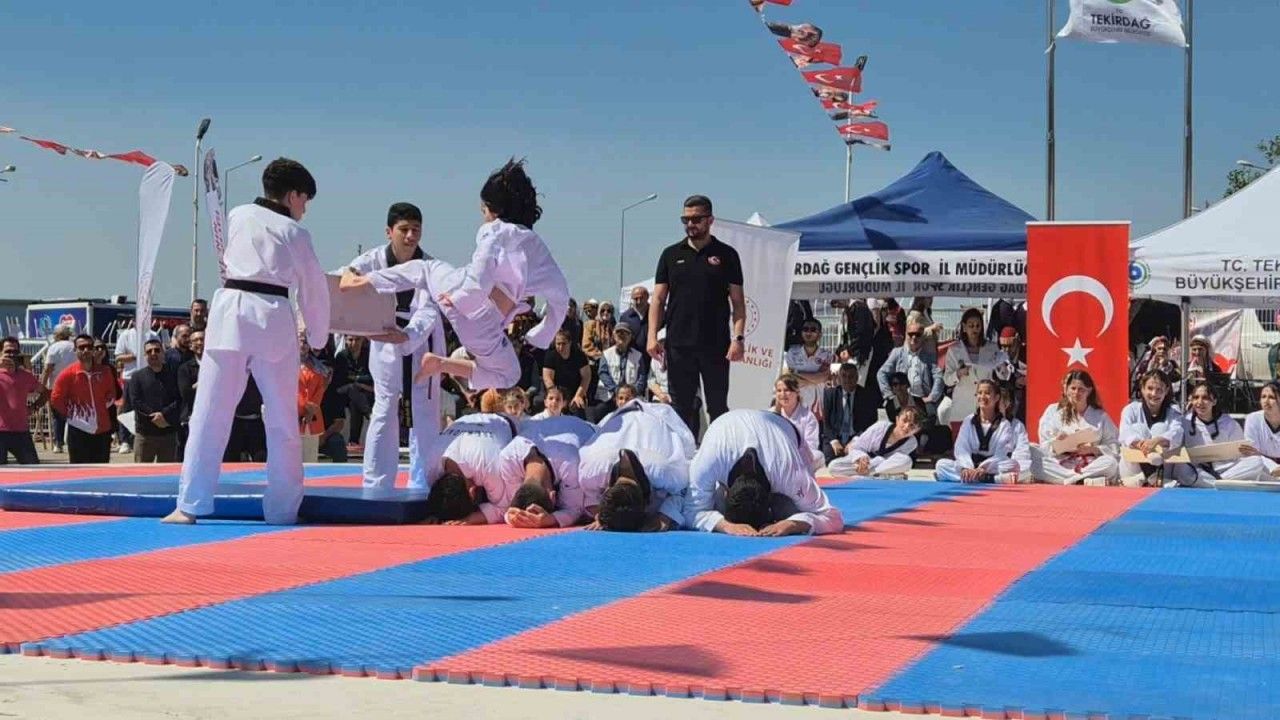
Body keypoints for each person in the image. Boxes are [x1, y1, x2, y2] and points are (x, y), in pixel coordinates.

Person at [164, 157, 329, 525]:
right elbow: (313, 288)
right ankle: (283, 509)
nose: (304, 209)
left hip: (230, 314)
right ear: (293, 195)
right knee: (282, 420)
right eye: (305, 200)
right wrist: (318, 336)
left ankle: (188, 504)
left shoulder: (237, 215)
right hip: (273, 318)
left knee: (209, 413)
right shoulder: (296, 233)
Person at [345, 202, 448, 490]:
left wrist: (408, 335)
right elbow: (347, 275)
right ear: (389, 231)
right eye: (404, 229)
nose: (411, 235)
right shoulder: (374, 259)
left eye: (416, 229)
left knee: (425, 411)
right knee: (384, 407)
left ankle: (425, 482)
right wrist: (349, 276)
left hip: (422, 341)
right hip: (384, 336)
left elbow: (429, 310)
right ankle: (376, 482)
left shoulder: (430, 266)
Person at [340, 254, 520, 393]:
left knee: (426, 268)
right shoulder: (518, 255)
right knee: (510, 376)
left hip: (464, 295)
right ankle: (440, 364)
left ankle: (364, 279)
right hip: (478, 321)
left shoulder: (505, 247)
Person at [648, 195, 746, 439]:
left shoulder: (727, 255)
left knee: (717, 407)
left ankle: (721, 451)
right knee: (680, 407)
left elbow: (738, 302)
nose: (690, 224)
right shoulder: (670, 255)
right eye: (686, 219)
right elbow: (658, 299)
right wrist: (652, 336)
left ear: (710, 220)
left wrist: (738, 338)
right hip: (679, 344)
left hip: (715, 344)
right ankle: (682, 454)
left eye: (696, 219)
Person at [686, 409, 843, 536]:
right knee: (715, 509)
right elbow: (691, 511)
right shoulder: (708, 461)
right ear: (726, 492)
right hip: (727, 426)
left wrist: (793, 524)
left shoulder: (788, 471)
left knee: (790, 512)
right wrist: (725, 525)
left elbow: (833, 518)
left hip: (786, 431)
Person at [578, 399, 695, 532]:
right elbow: (590, 496)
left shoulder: (663, 471)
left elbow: (684, 489)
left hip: (655, 418)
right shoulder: (592, 468)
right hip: (621, 417)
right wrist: (601, 515)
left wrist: (665, 516)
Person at [499, 414, 597, 529]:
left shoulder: (570, 462)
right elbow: (513, 506)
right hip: (553, 422)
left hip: (588, 428)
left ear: (553, 496)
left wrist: (550, 519)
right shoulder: (507, 457)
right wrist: (513, 516)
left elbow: (575, 509)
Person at [417, 412, 517, 524]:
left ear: (472, 492)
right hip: (466, 419)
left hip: (506, 422)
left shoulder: (489, 468)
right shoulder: (430, 469)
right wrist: (437, 515)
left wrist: (471, 518)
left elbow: (507, 507)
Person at [1174, 380, 1270, 486]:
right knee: (1180, 467)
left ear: (1214, 401)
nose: (1200, 402)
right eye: (1196, 398)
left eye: (1205, 398)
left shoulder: (1229, 423)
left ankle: (1217, 482)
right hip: (1200, 470)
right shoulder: (1185, 422)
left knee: (1256, 461)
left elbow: (1240, 453)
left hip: (1227, 469)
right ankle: (1220, 484)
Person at [1034, 370, 1120, 486]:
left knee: (1110, 463)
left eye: (1081, 389)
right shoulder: (1053, 411)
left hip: (1089, 464)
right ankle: (1080, 480)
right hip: (1061, 463)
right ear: (1066, 389)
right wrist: (1057, 442)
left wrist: (1093, 449)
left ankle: (1069, 480)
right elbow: (1044, 445)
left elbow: (1113, 445)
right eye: (1073, 388)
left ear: (1089, 391)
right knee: (1036, 461)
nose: (1076, 393)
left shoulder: (1100, 416)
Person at [935, 380, 1030, 484]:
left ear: (996, 398)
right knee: (941, 464)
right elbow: (961, 447)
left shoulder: (1004, 424)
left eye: (987, 393)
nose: (982, 397)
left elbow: (1001, 453)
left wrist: (983, 468)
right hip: (970, 464)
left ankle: (974, 477)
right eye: (980, 393)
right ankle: (991, 479)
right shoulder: (969, 420)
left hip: (991, 467)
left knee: (1013, 465)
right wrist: (966, 467)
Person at [50, 334, 118, 464]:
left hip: (102, 430)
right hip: (78, 430)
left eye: (89, 347)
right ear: (75, 350)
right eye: (81, 347)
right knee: (79, 471)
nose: (86, 350)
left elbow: (112, 394)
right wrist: (71, 415)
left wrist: (99, 408)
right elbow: (56, 399)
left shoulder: (105, 371)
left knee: (102, 471)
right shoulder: (67, 374)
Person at [940, 308, 1008, 427]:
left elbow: (1003, 375)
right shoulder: (954, 350)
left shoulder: (992, 348)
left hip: (986, 406)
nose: (974, 329)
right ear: (964, 327)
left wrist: (1000, 366)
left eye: (978, 326)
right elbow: (947, 380)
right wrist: (958, 373)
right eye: (971, 326)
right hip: (962, 407)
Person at [1118, 369, 1184, 487]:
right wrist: (1142, 444)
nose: (1154, 394)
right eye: (1150, 388)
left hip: (1162, 470)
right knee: (1139, 428)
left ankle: (1151, 478)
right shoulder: (1131, 409)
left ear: (1166, 390)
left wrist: (1156, 440)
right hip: (1134, 470)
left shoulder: (1173, 411)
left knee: (1160, 428)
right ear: (1142, 389)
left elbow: (1177, 433)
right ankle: (1150, 477)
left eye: (1159, 390)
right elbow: (1125, 433)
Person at [877, 321, 944, 426]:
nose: (914, 337)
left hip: (922, 400)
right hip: (901, 399)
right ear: (906, 335)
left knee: (932, 422)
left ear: (922, 336)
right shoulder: (897, 353)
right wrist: (889, 395)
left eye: (917, 334)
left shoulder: (929, 355)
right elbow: (881, 373)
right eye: (910, 334)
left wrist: (932, 397)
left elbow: (938, 376)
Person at [126, 339, 181, 462]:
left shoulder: (173, 375)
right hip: (145, 434)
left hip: (168, 433)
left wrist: (163, 415)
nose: (153, 353)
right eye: (149, 351)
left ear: (163, 352)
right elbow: (135, 401)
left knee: (167, 472)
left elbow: (178, 399)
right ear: (145, 355)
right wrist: (154, 416)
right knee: (142, 472)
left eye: (157, 350)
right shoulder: (137, 376)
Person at [827, 407, 922, 478]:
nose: (906, 426)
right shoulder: (880, 427)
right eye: (904, 421)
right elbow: (857, 447)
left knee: (907, 461)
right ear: (897, 419)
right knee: (833, 466)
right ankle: (875, 475)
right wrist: (861, 458)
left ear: (916, 430)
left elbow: (893, 460)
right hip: (863, 462)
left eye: (912, 426)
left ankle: (869, 475)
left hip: (880, 467)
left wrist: (874, 465)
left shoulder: (912, 443)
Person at [1, 336, 47, 464]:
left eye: (15, 351)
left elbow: (45, 393)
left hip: (21, 431)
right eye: (8, 351)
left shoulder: (26, 375)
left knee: (33, 467)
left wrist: (33, 407)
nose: (11, 355)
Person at [591, 324, 646, 422]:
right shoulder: (606, 354)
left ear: (630, 337)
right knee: (598, 413)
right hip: (610, 396)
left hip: (632, 397)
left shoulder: (638, 356)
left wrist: (633, 393)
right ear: (614, 336)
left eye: (625, 333)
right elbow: (603, 373)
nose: (621, 335)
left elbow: (642, 377)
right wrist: (615, 390)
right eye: (619, 333)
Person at [38, 324, 75, 453]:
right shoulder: (74, 346)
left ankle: (58, 443)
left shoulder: (54, 347)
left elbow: (48, 368)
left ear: (58, 335)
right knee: (74, 415)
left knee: (58, 416)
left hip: (56, 385)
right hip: (74, 384)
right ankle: (73, 442)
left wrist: (42, 385)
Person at [783, 318, 834, 410]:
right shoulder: (792, 352)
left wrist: (797, 374)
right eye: (805, 329)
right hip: (795, 406)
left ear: (820, 335)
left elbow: (824, 377)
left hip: (818, 408)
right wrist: (816, 380)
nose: (809, 332)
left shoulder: (826, 355)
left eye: (813, 329)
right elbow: (790, 381)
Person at [773, 374, 821, 470]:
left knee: (819, 456)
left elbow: (811, 446)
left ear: (797, 392)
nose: (782, 394)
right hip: (777, 457)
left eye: (787, 390)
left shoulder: (808, 417)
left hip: (799, 458)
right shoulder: (771, 414)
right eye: (779, 391)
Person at [539, 329, 591, 417]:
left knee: (578, 411)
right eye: (558, 344)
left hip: (574, 392)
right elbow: (547, 378)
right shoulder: (550, 355)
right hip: (555, 391)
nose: (560, 347)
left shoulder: (579, 356)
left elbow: (586, 377)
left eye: (563, 344)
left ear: (570, 343)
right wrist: (557, 397)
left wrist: (578, 395)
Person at [819, 363, 863, 466]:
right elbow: (826, 422)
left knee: (859, 462)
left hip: (856, 437)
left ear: (857, 378)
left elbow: (869, 423)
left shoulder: (866, 395)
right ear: (839, 378)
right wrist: (834, 440)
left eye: (851, 376)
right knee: (831, 462)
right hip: (834, 436)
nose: (847, 380)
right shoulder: (830, 394)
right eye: (844, 376)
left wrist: (855, 440)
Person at [1239, 381, 1280, 480]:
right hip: (1263, 466)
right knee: (1252, 462)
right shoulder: (1252, 419)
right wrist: (1273, 467)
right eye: (1263, 397)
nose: (1266, 401)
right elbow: (1252, 452)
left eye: (1271, 397)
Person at [176, 330, 203, 458]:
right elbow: (186, 393)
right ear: (191, 345)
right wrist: (203, 384)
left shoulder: (217, 366)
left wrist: (195, 386)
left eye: (202, 339)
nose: (200, 343)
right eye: (196, 340)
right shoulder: (184, 368)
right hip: (190, 419)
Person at [993, 327, 1028, 423]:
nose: (1007, 350)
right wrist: (1015, 382)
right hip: (1012, 397)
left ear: (1016, 341)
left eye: (1010, 345)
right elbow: (999, 380)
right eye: (1003, 346)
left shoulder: (1027, 353)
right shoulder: (1001, 357)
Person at [1129, 335, 1180, 399]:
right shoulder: (1145, 364)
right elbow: (1139, 381)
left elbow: (1176, 381)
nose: (1162, 351)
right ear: (1154, 349)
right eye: (1159, 348)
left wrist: (1165, 365)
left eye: (1164, 349)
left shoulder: (1173, 364)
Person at [619, 286, 651, 359]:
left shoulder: (657, 314)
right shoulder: (625, 317)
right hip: (632, 357)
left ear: (647, 297)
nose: (638, 302)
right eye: (636, 299)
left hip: (653, 357)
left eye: (641, 298)